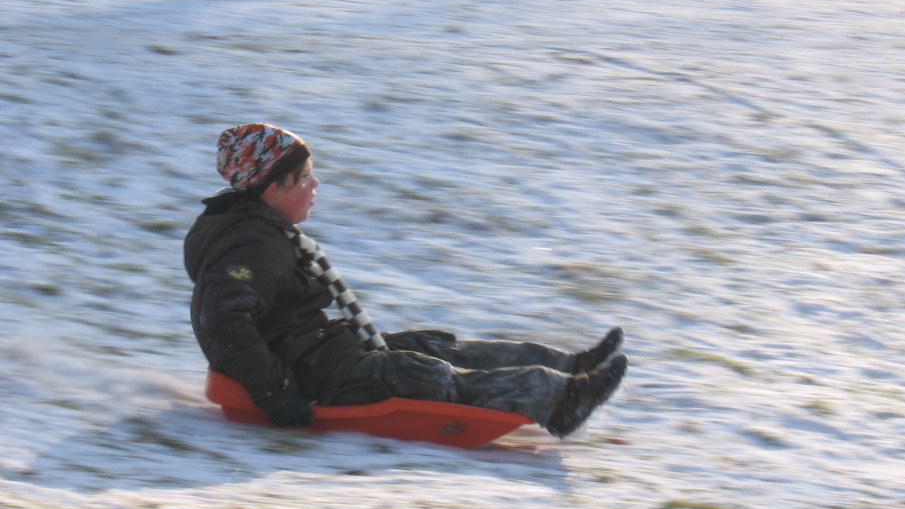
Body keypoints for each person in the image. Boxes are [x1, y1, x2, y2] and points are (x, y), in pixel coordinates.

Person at [184, 123, 627, 437]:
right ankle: (561, 399)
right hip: (314, 376)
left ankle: (569, 367)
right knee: (426, 376)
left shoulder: (263, 232)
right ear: (271, 189)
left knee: (436, 347)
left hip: (326, 352)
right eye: (303, 178)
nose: (315, 184)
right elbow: (222, 321)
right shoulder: (250, 246)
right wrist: (278, 394)